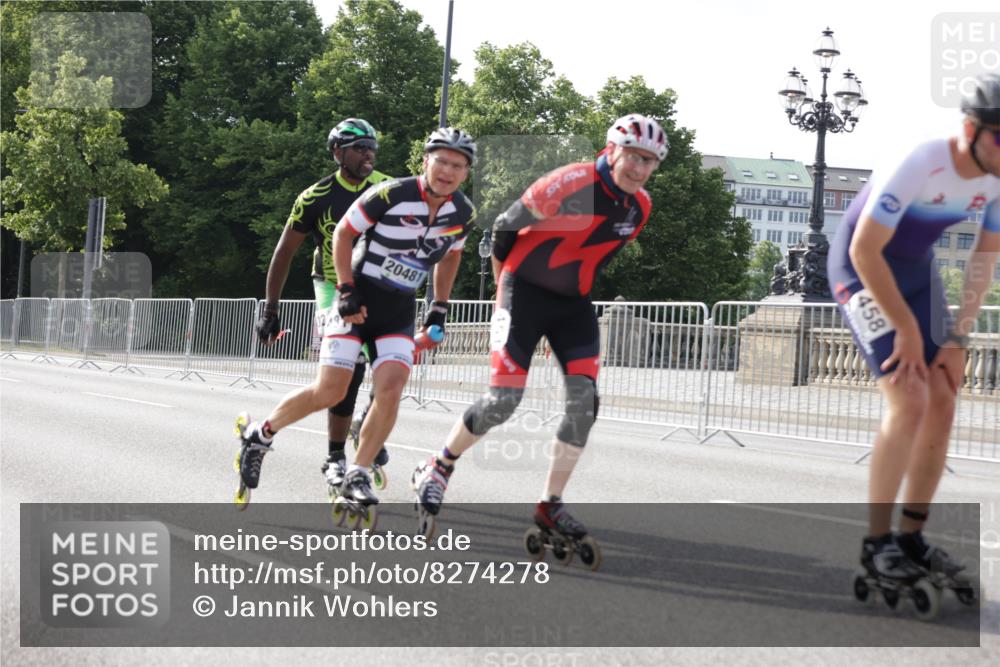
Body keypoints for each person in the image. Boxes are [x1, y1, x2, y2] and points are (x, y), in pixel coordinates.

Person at [411, 114, 668, 543]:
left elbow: (594, 257)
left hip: (572, 306)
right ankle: (439, 465)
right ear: (611, 149)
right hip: (522, 292)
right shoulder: (571, 183)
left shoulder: (639, 206)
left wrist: (560, 326)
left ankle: (550, 503)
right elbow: (503, 230)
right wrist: (502, 293)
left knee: (586, 400)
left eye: (650, 162)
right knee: (503, 401)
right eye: (633, 157)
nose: (639, 169)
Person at [237, 127, 478, 509]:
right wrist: (346, 289)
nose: (448, 171)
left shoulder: (462, 212)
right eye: (441, 161)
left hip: (398, 308)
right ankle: (260, 434)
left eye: (458, 165)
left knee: (393, 386)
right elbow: (343, 234)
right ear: (425, 162)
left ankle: (358, 472)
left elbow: (451, 255)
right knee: (330, 390)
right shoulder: (391, 193)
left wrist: (439, 306)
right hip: (357, 301)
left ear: (466, 173)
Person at [827, 73, 1000, 585]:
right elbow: (863, 249)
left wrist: (958, 338)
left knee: (944, 397)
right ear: (970, 128)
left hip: (917, 273)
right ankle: (876, 544)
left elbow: (983, 260)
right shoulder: (924, 160)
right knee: (909, 397)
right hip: (861, 269)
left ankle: (911, 537)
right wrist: (904, 327)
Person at [253, 118, 391, 494]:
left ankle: (365, 425)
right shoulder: (315, 197)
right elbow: (284, 253)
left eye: (372, 148)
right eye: (360, 147)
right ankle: (335, 455)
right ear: (338, 152)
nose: (368, 153)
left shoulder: (386, 188)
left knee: (391, 362)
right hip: (331, 284)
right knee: (350, 368)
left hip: (376, 286)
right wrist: (270, 310)